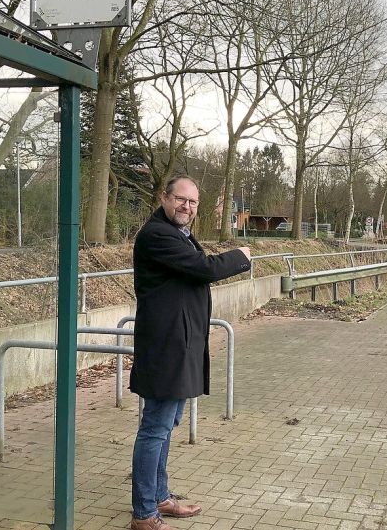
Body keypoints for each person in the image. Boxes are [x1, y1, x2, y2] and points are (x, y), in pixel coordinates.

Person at [129, 176, 251, 530]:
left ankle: (159, 497)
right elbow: (204, 268)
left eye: (193, 202)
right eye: (180, 200)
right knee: (155, 428)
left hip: (181, 343)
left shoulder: (178, 233)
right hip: (166, 345)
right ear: (164, 198)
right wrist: (240, 257)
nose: (187, 207)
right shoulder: (158, 234)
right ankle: (144, 513)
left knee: (166, 426)